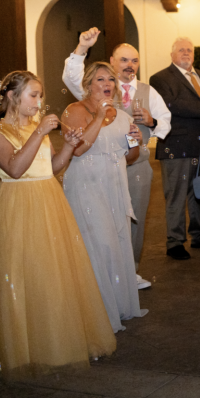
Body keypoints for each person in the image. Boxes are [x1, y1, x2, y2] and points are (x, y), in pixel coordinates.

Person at [0, 71, 116, 377]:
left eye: (40, 96)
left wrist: (68, 147)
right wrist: (39, 134)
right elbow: (13, 168)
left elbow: (51, 167)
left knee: (52, 274)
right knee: (23, 275)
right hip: (17, 207)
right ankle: (24, 347)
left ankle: (55, 342)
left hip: (49, 202)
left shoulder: (39, 127)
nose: (39, 102)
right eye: (33, 95)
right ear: (12, 97)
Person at [63, 29, 172, 287]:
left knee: (132, 219)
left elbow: (165, 122)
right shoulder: (93, 90)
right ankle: (99, 272)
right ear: (112, 62)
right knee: (101, 219)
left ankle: (130, 270)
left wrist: (151, 121)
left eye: (134, 61)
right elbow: (71, 77)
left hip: (137, 165)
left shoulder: (147, 91)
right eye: (124, 60)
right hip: (98, 166)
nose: (129, 65)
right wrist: (81, 48)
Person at [61, 62, 148, 333]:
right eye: (100, 79)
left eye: (110, 79)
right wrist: (98, 117)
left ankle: (118, 305)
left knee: (118, 242)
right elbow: (77, 150)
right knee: (100, 245)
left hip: (115, 184)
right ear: (88, 84)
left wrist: (135, 141)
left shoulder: (122, 115)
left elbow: (131, 157)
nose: (108, 83)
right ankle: (97, 313)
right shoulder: (75, 111)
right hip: (87, 185)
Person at [150, 38, 200, 260]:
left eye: (190, 50)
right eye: (181, 50)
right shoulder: (160, 78)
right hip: (176, 145)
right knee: (176, 195)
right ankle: (175, 242)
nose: (186, 53)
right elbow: (172, 104)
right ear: (172, 55)